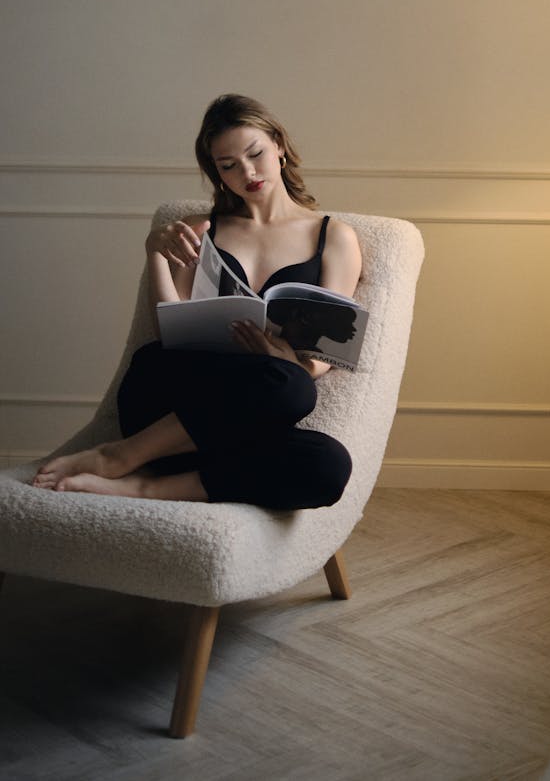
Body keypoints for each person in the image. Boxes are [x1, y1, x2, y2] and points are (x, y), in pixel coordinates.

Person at [31, 94, 362, 509]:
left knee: (325, 461)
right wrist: (154, 251)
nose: (247, 172)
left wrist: (290, 363)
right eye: (228, 165)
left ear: (279, 145)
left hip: (246, 414)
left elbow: (325, 352)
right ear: (217, 173)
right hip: (170, 395)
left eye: (255, 153)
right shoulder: (198, 228)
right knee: (279, 383)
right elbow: (167, 328)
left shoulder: (335, 237)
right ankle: (120, 456)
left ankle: (142, 486)